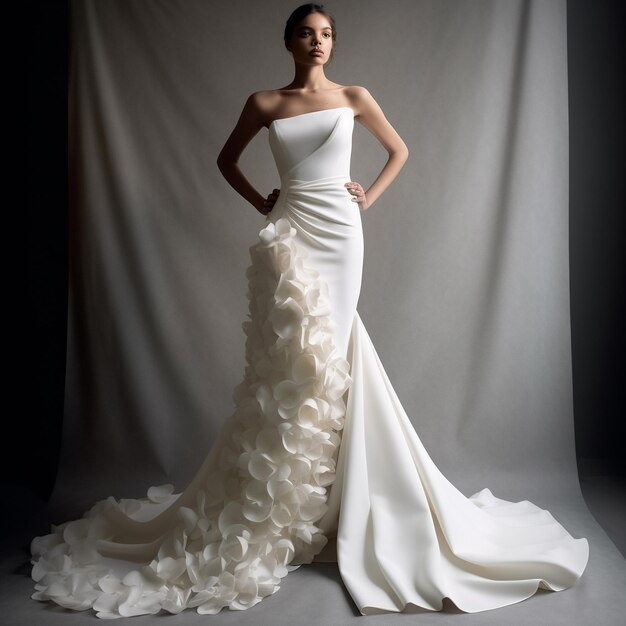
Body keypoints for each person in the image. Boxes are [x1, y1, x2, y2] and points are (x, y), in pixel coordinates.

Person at [29, 3, 589, 620]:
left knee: (335, 351)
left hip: (341, 233)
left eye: (325, 34)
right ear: (289, 40)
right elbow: (226, 161)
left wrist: (365, 197)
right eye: (306, 33)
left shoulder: (354, 95)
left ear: (332, 43)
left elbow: (398, 150)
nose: (317, 43)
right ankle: (296, 503)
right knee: (291, 360)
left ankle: (345, 500)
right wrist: (264, 201)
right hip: (290, 229)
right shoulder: (265, 103)